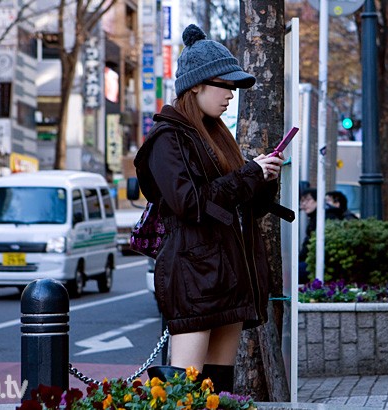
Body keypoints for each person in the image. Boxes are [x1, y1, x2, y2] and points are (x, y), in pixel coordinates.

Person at [134, 24, 288, 392]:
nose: (231, 95)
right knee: (185, 388)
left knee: (218, 388)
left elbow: (244, 206)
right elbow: (190, 203)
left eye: (233, 88)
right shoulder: (167, 139)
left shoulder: (216, 136)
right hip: (193, 276)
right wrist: (249, 173)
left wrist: (265, 178)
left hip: (227, 275)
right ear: (196, 86)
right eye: (225, 86)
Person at [298, 188, 339, 283]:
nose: (304, 204)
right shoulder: (315, 217)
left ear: (317, 201)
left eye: (308, 200)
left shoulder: (325, 217)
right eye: (302, 201)